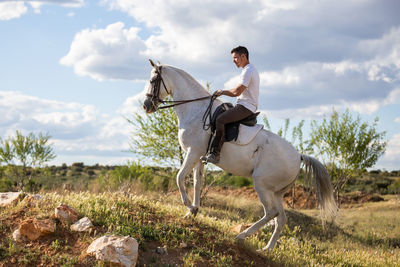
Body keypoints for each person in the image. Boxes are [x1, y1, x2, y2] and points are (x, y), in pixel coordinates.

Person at [201, 46, 260, 164]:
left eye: (235, 58)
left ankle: (215, 154)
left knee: (220, 120)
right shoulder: (248, 70)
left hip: (246, 107)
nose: (233, 61)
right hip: (243, 105)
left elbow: (236, 92)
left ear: (243, 56)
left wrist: (221, 92)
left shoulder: (248, 71)